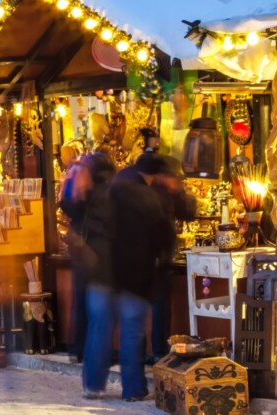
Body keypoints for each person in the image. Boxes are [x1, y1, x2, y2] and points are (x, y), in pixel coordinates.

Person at [83, 152, 177, 401]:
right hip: (135, 276)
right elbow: (165, 239)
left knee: (99, 330)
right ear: (155, 176)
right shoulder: (151, 199)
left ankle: (92, 385)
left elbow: (86, 229)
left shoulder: (105, 193)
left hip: (102, 275)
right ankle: (133, 390)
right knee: (131, 333)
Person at [59, 153, 116, 364]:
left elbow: (67, 207)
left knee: (83, 302)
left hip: (83, 251)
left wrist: (74, 188)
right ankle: (92, 352)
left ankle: (80, 349)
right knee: (96, 307)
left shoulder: (86, 190)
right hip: (96, 254)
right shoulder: (105, 193)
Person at [146, 153, 197, 361]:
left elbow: (187, 213)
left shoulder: (165, 194)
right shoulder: (156, 196)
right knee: (156, 308)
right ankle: (158, 353)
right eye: (176, 178)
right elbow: (186, 213)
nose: (178, 181)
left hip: (157, 259)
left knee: (158, 308)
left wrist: (183, 193)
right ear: (163, 176)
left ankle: (156, 352)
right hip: (154, 259)